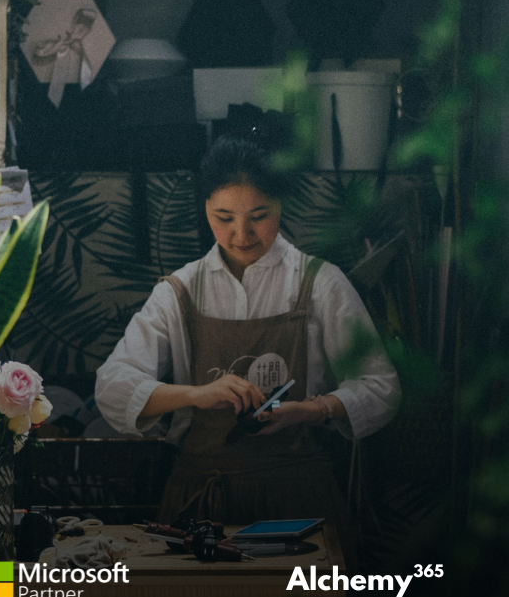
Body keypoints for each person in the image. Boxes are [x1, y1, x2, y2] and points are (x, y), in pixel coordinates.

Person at [95, 135, 401, 561]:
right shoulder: (180, 291)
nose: (241, 235)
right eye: (224, 217)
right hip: (199, 503)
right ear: (204, 209)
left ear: (281, 206)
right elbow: (111, 385)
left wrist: (309, 410)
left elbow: (381, 386)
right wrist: (197, 395)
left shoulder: (320, 283)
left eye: (259, 215)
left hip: (299, 501)